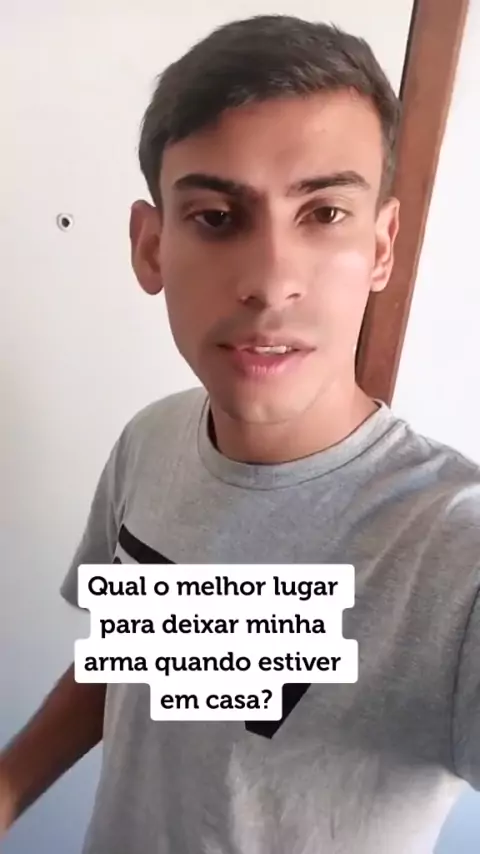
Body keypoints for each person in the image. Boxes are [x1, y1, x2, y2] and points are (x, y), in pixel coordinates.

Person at [1, 13, 479, 854]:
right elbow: (138, 656)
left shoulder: (452, 554)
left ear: (381, 246)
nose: (269, 282)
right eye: (218, 217)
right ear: (152, 247)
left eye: (324, 212)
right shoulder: (151, 443)